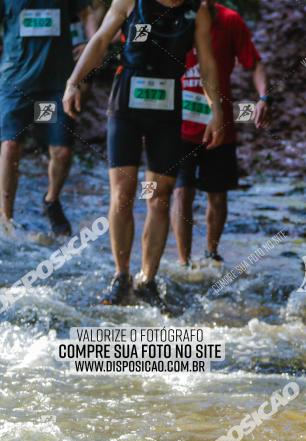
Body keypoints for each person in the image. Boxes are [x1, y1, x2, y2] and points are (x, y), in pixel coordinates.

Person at [62, 0, 224, 306]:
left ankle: (147, 279)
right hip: (126, 104)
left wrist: (216, 110)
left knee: (159, 196)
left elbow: (207, 64)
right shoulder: (128, 1)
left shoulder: (197, 10)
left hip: (167, 107)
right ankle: (121, 276)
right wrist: (74, 81)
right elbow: (99, 41)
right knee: (123, 193)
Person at [170, 0, 269, 267]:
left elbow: (255, 63)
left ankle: (211, 252)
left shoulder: (230, 21)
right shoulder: (174, 17)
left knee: (218, 192)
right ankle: (183, 261)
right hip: (178, 124)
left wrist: (264, 97)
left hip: (220, 123)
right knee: (182, 192)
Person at [0, 0, 94, 236]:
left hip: (55, 85)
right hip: (16, 82)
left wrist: (89, 42)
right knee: (11, 146)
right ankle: (5, 217)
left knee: (61, 151)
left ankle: (51, 199)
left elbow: (87, 12)